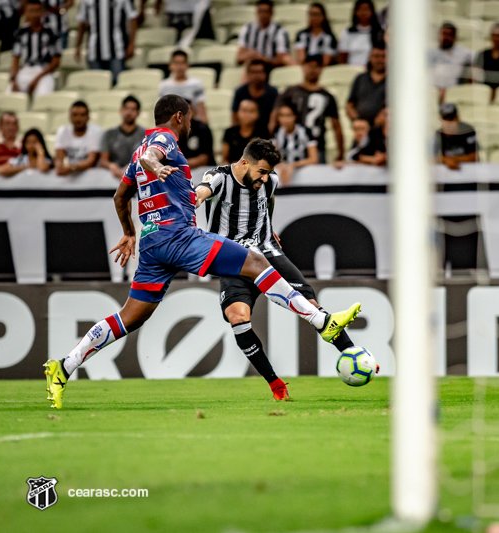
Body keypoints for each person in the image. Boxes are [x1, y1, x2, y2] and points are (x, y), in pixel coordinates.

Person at [43, 95, 361, 410]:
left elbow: (120, 195)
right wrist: (156, 165)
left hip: (152, 243)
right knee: (255, 261)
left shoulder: (139, 148)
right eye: (191, 118)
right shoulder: (162, 140)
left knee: (130, 316)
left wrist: (129, 232)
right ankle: (322, 322)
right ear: (179, 117)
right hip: (177, 234)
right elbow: (149, 158)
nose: (192, 124)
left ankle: (65, 365)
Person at [196, 138, 364, 400]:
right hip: (234, 258)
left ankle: (356, 355)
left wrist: (267, 225)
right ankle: (275, 383)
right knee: (237, 316)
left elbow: (268, 200)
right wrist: (193, 200)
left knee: (310, 303)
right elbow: (203, 190)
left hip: (268, 251)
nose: (264, 179)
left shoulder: (270, 182)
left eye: (268, 173)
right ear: (244, 163)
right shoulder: (219, 178)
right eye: (261, 172)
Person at [272, 55, 343, 164]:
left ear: (322, 69)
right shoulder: (290, 92)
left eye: (316, 67)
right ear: (303, 67)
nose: (312, 70)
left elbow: (336, 126)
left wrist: (341, 152)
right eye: (309, 66)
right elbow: (274, 118)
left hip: (318, 146)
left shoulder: (327, 96)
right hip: (292, 146)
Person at [76, 0, 138, 85]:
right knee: (96, 84)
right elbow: (82, 23)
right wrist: (78, 46)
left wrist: (132, 44)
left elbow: (133, 18)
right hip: (94, 50)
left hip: (117, 49)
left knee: (117, 83)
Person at [9, 0, 61, 97]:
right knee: (10, 96)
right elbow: (15, 59)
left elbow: (56, 61)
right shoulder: (20, 33)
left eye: (37, 11)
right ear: (25, 13)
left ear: (43, 12)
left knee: (42, 96)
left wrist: (37, 78)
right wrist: (14, 80)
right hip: (25, 70)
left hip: (44, 71)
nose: (35, 14)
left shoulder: (51, 32)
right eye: (31, 11)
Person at [100, 95, 146, 180]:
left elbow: (148, 159)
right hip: (113, 178)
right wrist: (111, 165)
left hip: (137, 178)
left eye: (133, 109)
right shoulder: (109, 134)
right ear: (121, 110)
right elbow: (103, 160)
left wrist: (132, 167)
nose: (129, 112)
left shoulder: (145, 135)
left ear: (138, 113)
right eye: (126, 108)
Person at [236, 0, 292, 69]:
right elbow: (239, 57)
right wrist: (251, 55)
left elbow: (282, 59)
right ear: (256, 12)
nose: (263, 15)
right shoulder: (247, 29)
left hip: (271, 68)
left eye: (266, 12)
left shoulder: (280, 31)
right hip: (251, 66)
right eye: (260, 11)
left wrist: (263, 59)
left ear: (272, 13)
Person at [272, 102, 319, 184]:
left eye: (288, 115)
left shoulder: (306, 132)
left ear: (295, 116)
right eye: (281, 115)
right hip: (282, 175)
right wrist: (281, 166)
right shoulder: (276, 132)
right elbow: (272, 158)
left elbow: (314, 159)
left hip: (304, 173)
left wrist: (292, 165)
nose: (285, 119)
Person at [231, 59, 278, 139]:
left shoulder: (272, 92)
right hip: (245, 133)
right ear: (248, 74)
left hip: (266, 133)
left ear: (265, 74)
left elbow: (274, 116)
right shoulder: (240, 92)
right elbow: (235, 116)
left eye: (259, 72)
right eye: (253, 72)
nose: (256, 75)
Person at [54, 101, 103, 176]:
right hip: (71, 174)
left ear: (88, 117)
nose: (78, 119)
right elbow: (59, 157)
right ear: (70, 117)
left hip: (92, 176)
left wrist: (71, 167)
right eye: (75, 115)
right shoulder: (63, 131)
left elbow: (91, 161)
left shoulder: (96, 132)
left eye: (82, 115)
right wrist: (59, 166)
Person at [158, 50, 208, 123]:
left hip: (192, 123)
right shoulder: (164, 85)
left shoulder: (196, 84)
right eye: (176, 63)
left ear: (187, 65)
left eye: (182, 63)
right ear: (170, 65)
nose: (179, 67)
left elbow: (201, 109)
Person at [345, 43, 387, 125]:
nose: (380, 60)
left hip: (385, 128)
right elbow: (349, 104)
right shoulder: (360, 78)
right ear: (370, 57)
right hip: (361, 128)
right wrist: (357, 120)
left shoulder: (394, 82)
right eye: (376, 56)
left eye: (383, 56)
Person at [430, 22, 472, 96]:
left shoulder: (464, 53)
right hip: (432, 91)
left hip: (453, 92)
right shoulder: (431, 52)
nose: (445, 37)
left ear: (455, 37)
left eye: (449, 34)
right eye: (443, 34)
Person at [338, 0, 383, 67]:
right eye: (360, 10)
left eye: (366, 9)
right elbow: (342, 57)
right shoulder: (347, 32)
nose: (363, 13)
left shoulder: (379, 32)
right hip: (351, 70)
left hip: (372, 71)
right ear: (355, 12)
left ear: (372, 12)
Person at [434, 103, 478, 170]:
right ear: (440, 119)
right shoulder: (438, 134)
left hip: (467, 173)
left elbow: (474, 157)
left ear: (457, 118)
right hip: (445, 175)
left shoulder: (468, 131)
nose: (448, 122)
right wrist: (446, 160)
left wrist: (452, 160)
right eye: (445, 119)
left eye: (451, 118)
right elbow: (432, 158)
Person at [294, 2, 337, 66]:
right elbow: (301, 58)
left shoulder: (329, 37)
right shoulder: (301, 35)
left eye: (316, 14)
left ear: (323, 17)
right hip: (305, 67)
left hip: (321, 67)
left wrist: (315, 63)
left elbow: (326, 61)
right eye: (311, 15)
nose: (313, 18)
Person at [223, 100, 259, 165]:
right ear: (237, 113)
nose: (247, 114)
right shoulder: (229, 132)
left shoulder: (263, 133)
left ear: (257, 114)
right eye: (244, 110)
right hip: (232, 168)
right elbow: (225, 158)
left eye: (251, 111)